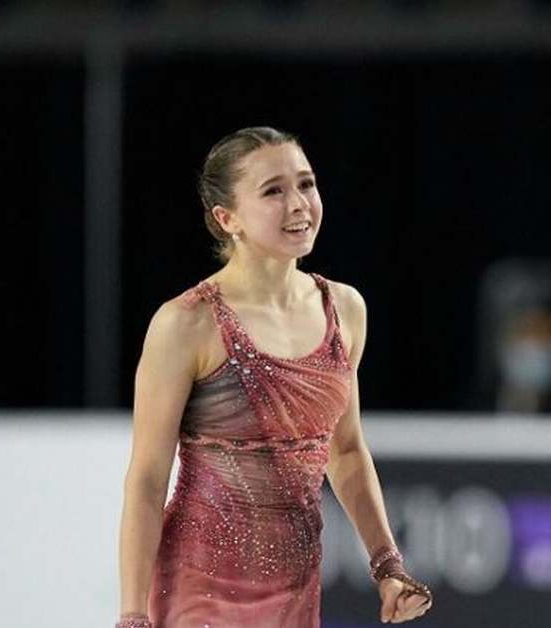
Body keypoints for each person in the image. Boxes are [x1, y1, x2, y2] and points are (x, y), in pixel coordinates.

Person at [116, 127, 431, 628]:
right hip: (200, 585)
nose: (299, 204)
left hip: (294, 588)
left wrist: (388, 566)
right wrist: (133, 615)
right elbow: (148, 479)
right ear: (227, 218)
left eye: (306, 184)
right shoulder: (187, 323)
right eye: (273, 191)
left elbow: (346, 451)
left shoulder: (345, 309)